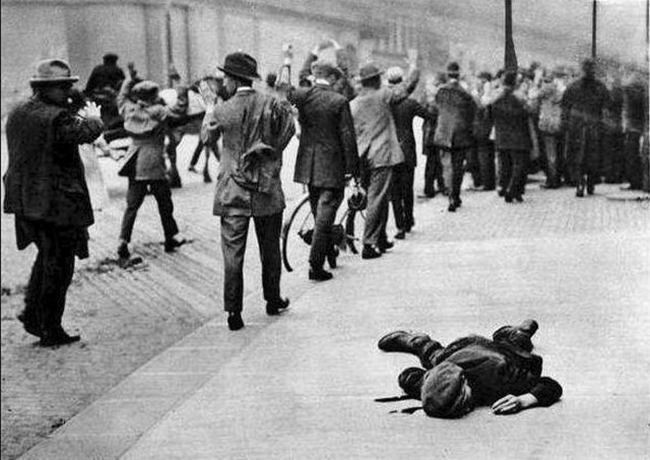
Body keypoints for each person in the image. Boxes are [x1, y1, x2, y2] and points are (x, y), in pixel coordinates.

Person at [3, 59, 104, 346]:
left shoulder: (20, 111)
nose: (69, 91)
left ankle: (33, 314)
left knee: (46, 257)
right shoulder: (56, 118)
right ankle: (50, 327)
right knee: (59, 265)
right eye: (64, 86)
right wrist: (94, 116)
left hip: (25, 199)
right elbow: (86, 132)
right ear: (46, 88)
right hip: (54, 203)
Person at [200, 52, 296, 331]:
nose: (223, 83)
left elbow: (207, 137)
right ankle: (272, 299)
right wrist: (271, 155)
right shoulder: (271, 103)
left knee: (233, 253)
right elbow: (289, 129)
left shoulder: (222, 109)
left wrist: (208, 107)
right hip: (266, 188)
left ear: (231, 79)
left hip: (232, 191)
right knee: (270, 249)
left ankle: (234, 312)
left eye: (225, 79)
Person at [377, 319, 563, 418]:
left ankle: (521, 331)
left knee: (515, 342)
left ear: (465, 382)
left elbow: (551, 385)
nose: (466, 408)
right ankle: (416, 339)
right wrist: (429, 381)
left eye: (463, 402)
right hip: (455, 353)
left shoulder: (501, 377)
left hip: (502, 354)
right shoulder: (433, 386)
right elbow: (407, 376)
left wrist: (524, 400)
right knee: (434, 356)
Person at [283, 60, 359, 281]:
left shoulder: (303, 96)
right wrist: (353, 170)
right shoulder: (338, 101)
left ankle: (329, 252)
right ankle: (316, 265)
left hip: (308, 166)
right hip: (332, 166)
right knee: (325, 216)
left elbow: (285, 89)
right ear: (333, 78)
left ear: (316, 76)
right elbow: (348, 138)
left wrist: (289, 60)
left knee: (319, 213)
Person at [116, 63, 188, 261]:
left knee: (132, 205)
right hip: (154, 162)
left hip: (133, 160)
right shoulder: (159, 111)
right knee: (164, 202)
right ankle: (171, 236)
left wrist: (130, 78)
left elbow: (121, 98)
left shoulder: (129, 109)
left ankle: (123, 240)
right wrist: (178, 83)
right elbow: (181, 108)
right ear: (153, 96)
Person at [350, 58, 420, 260]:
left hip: (363, 156)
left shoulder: (354, 104)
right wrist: (414, 66)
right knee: (378, 199)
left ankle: (380, 238)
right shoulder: (384, 95)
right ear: (377, 80)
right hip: (382, 155)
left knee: (376, 197)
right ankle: (369, 244)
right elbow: (407, 88)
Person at [385, 66, 432, 240]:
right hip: (407, 149)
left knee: (394, 191)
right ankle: (409, 219)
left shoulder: (385, 102)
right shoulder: (410, 103)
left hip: (390, 148)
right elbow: (428, 115)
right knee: (407, 188)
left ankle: (399, 227)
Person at [561, 58, 609, 197]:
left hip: (576, 127)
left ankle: (580, 183)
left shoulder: (572, 87)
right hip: (594, 126)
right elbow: (606, 108)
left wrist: (565, 125)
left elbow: (565, 108)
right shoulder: (600, 87)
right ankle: (590, 182)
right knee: (593, 156)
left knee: (577, 156)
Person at [434, 62, 477, 212]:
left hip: (443, 134)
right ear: (459, 75)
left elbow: (434, 109)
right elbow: (474, 112)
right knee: (458, 167)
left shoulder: (440, 92)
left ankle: (450, 196)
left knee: (447, 166)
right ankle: (455, 196)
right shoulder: (465, 94)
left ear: (447, 75)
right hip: (461, 134)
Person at [488, 70, 533, 203]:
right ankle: (512, 189)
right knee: (520, 164)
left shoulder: (496, 98)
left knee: (506, 165)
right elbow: (528, 112)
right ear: (515, 84)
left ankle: (508, 188)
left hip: (502, 136)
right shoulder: (518, 99)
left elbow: (489, 114)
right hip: (519, 137)